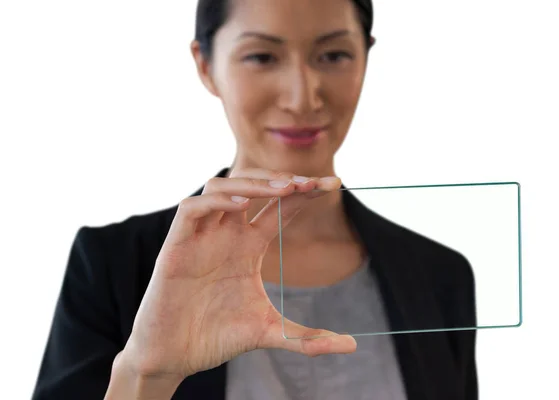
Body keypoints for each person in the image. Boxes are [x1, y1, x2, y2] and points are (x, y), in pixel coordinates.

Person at [32, 0, 478, 399]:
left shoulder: (441, 276)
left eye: (334, 54)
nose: (303, 97)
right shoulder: (112, 266)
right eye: (262, 56)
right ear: (205, 65)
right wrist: (148, 374)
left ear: (366, 55)